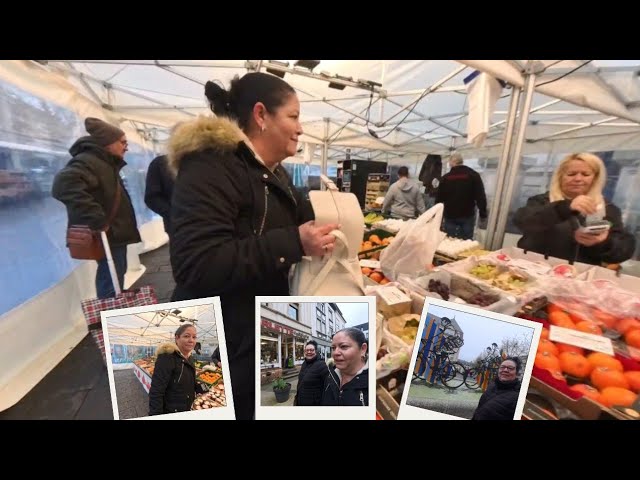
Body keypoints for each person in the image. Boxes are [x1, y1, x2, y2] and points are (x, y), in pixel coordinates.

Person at [167, 72, 339, 420]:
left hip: (252, 336)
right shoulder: (211, 166)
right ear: (261, 115)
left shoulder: (276, 174)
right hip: (216, 339)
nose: (301, 128)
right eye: (293, 116)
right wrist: (293, 241)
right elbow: (196, 264)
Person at [52, 117, 141, 298]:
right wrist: (97, 219)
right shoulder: (88, 161)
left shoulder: (102, 162)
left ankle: (112, 310)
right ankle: (109, 316)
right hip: (107, 232)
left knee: (115, 274)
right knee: (111, 279)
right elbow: (63, 186)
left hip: (112, 232)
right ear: (108, 143)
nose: (126, 147)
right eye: (123, 142)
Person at [513, 152, 635, 265]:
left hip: (579, 277)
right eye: (571, 174)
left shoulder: (608, 209)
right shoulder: (541, 201)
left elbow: (624, 250)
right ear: (560, 177)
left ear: (595, 178)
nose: (578, 179)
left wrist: (604, 242)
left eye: (586, 174)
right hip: (536, 269)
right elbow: (522, 221)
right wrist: (564, 207)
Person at [148, 323, 203, 416]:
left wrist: (203, 390)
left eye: (194, 337)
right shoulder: (166, 358)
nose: (191, 340)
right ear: (177, 338)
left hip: (188, 407)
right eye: (186, 336)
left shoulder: (190, 358)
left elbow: (192, 381)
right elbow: (156, 391)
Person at [435, 153, 487, 239]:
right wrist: (483, 214)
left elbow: (439, 198)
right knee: (465, 244)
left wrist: (437, 215)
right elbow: (480, 196)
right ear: (462, 162)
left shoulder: (445, 178)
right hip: (467, 215)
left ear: (451, 163)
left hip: (450, 215)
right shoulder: (473, 175)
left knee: (449, 242)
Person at [321, 328, 369, 406]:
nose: (335, 353)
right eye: (333, 348)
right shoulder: (330, 374)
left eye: (343, 346)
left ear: (363, 349)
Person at [144, 154, 175, 236]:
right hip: (179, 228)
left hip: (211, 226)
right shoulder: (160, 163)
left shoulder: (208, 161)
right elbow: (152, 198)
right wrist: (174, 214)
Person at [294, 340, 329, 406]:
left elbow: (326, 389)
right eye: (307, 350)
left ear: (316, 351)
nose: (309, 352)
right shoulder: (304, 363)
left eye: (311, 350)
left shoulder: (322, 365)